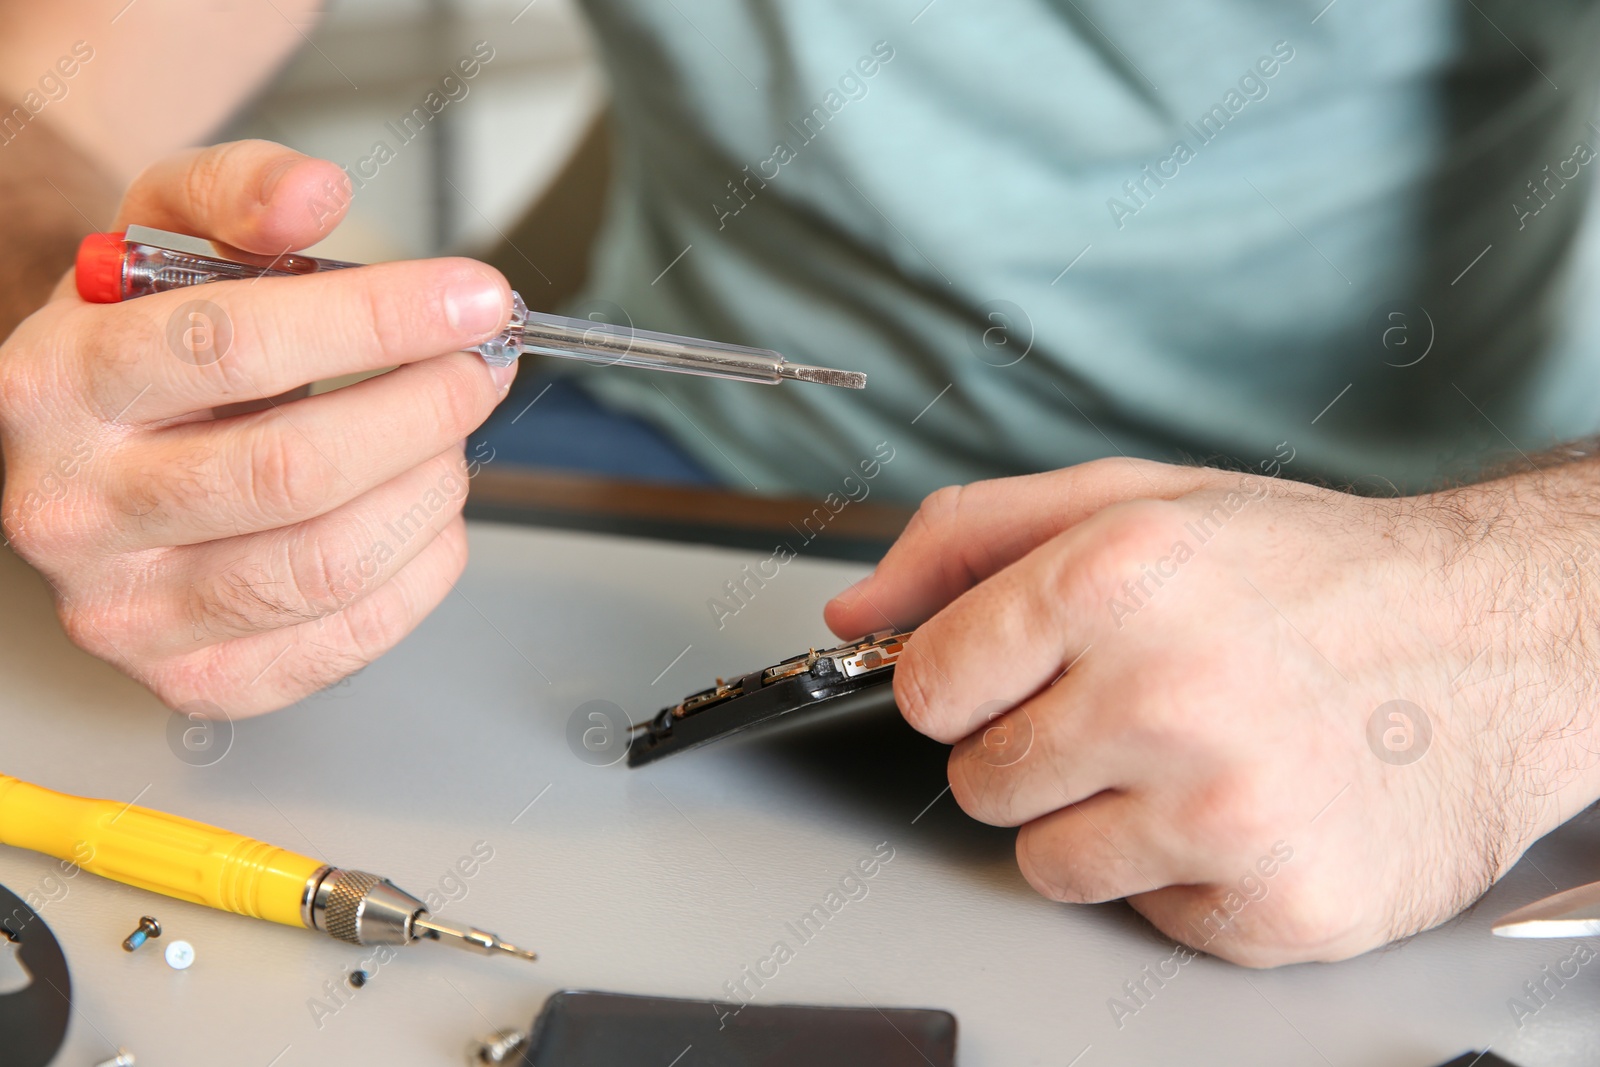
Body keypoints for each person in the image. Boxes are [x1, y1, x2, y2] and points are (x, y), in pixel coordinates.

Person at [2, 1, 1598, 969]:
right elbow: (50, 102)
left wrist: (1508, 626)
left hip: (1428, 537)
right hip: (664, 464)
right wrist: (86, 347)